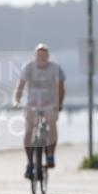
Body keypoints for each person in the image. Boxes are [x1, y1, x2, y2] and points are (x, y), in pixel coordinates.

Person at [14, 43, 65, 178]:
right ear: (35, 55)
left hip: (50, 104)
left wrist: (59, 104)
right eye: (39, 55)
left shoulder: (55, 68)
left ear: (48, 56)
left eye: (44, 55)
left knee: (51, 122)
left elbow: (61, 88)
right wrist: (16, 100)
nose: (41, 57)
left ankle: (50, 155)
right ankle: (30, 162)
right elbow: (20, 86)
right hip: (33, 104)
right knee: (29, 130)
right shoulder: (29, 67)